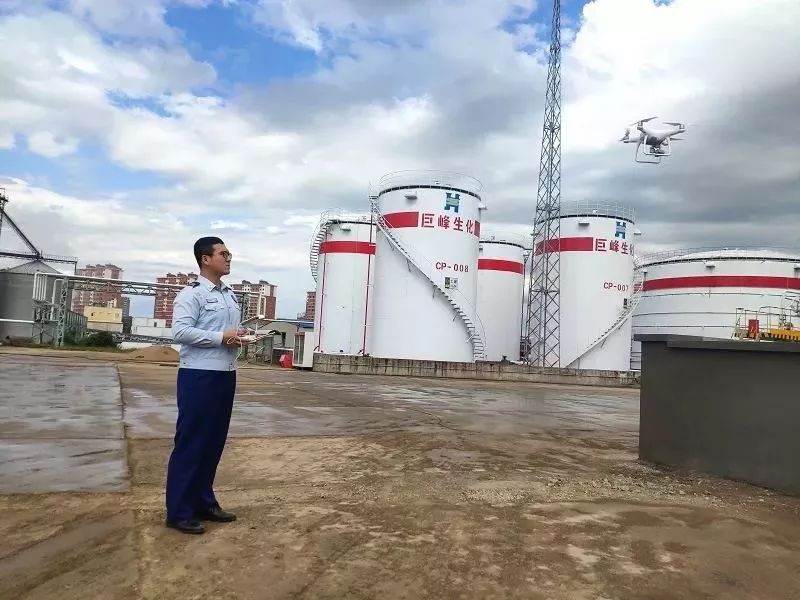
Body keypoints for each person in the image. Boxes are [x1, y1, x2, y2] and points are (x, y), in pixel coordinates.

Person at [165, 236, 251, 534]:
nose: (228, 258)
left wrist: (238, 335)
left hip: (225, 374)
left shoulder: (229, 295)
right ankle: (179, 511)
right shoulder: (192, 294)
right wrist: (220, 337)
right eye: (223, 254)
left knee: (214, 442)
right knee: (192, 443)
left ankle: (204, 502)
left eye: (229, 254)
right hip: (198, 375)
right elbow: (180, 332)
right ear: (205, 259)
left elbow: (224, 331)